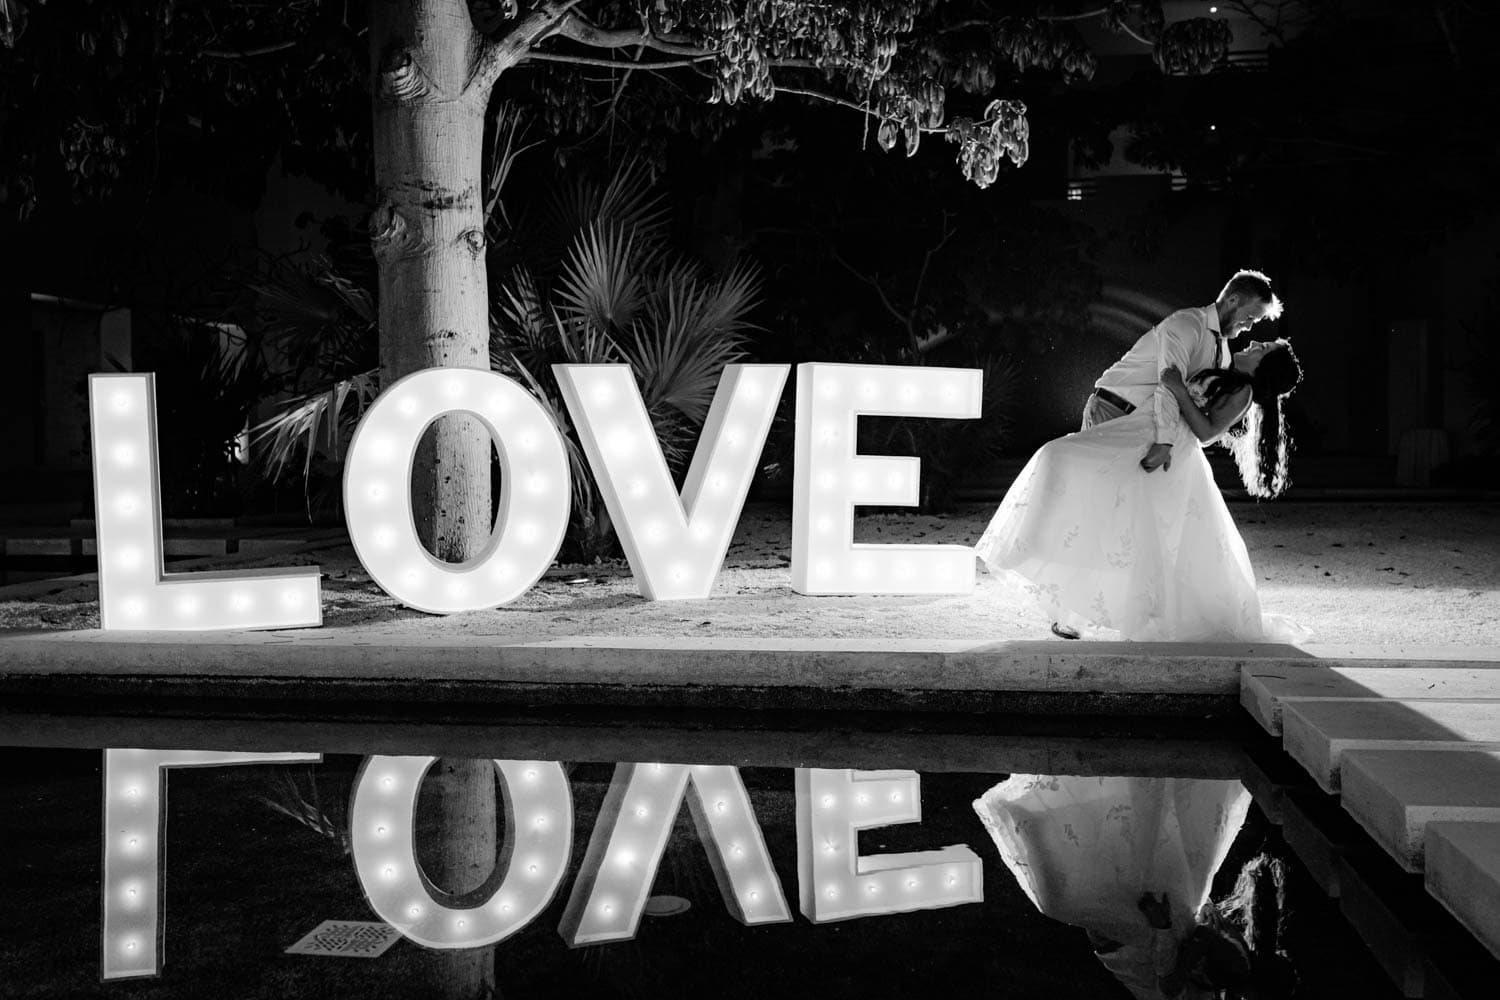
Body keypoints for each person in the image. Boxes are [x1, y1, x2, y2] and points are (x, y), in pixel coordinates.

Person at [973, 334, 1307, 643]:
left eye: (1262, 350)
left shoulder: (1243, 393)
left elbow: (1206, 432)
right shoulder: (1225, 371)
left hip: (1163, 448)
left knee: (1072, 471)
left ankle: (1070, 587)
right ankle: (1057, 584)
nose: (1254, 344)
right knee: (1086, 490)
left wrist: (1177, 389)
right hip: (1140, 429)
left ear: (1264, 369)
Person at [972, 774, 1254, 1000]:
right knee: (1145, 865)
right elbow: (1204, 937)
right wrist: (1187, 925)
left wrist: (1166, 928)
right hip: (1154, 937)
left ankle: (1030, 816)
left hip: (1131, 946)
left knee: (1060, 899)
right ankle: (1141, 782)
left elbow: (1168, 982)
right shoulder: (1225, 980)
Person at [1087, 270, 1285, 473]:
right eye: (1249, 317)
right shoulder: (1187, 325)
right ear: (1233, 300)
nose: (1250, 327)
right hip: (1116, 411)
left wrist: (1169, 441)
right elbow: (1168, 383)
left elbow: (1197, 413)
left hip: (1146, 429)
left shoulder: (1224, 354)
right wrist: (1165, 441)